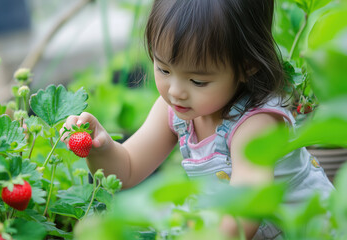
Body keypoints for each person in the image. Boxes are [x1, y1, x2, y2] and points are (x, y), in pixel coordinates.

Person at [61, 0, 334, 239]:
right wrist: (103, 147)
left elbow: (248, 207)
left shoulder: (256, 123)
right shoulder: (173, 109)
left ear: (247, 66)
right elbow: (128, 169)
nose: (175, 90)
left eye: (197, 80)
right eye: (163, 69)